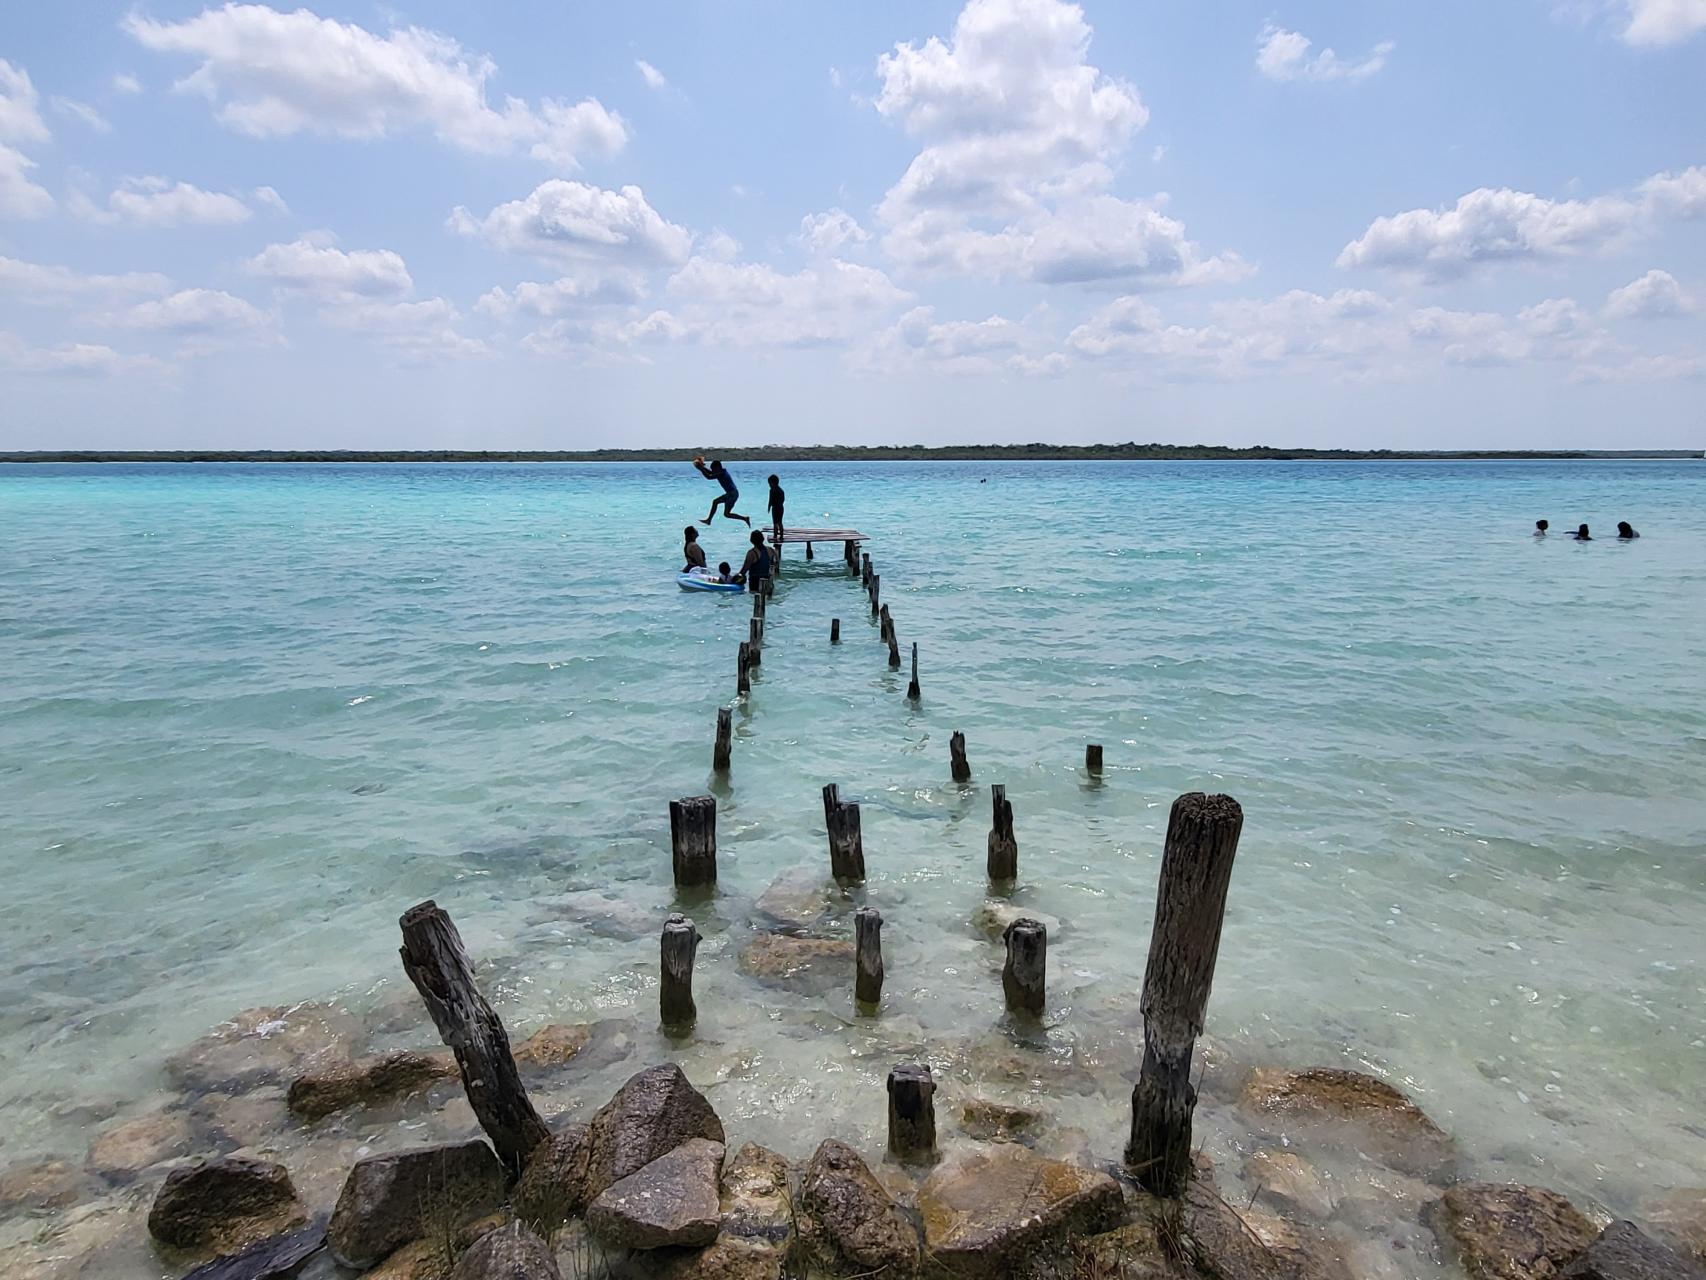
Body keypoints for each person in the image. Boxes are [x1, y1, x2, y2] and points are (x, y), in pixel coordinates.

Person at [694, 457, 750, 526]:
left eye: (714, 469)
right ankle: (745, 518)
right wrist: (701, 467)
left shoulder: (722, 473)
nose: (713, 471)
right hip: (734, 494)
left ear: (718, 467)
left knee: (715, 502)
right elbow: (711, 473)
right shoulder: (721, 472)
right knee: (727, 514)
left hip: (732, 494)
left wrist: (701, 469)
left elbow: (709, 477)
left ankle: (709, 520)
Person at [766, 474, 785, 541]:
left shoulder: (772, 490)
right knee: (780, 522)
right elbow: (783, 499)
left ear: (772, 483)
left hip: (775, 508)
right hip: (781, 507)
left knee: (775, 523)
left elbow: (770, 500)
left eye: (769, 483)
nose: (769, 485)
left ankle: (775, 535)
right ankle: (782, 535)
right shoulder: (781, 490)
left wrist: (769, 507)